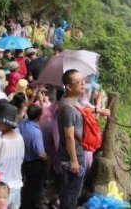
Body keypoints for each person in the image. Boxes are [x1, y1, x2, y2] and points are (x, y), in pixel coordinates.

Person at [56, 69, 86, 209]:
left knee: (69, 193)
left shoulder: (70, 100)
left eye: (83, 81)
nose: (83, 84)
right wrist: (74, 160)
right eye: (78, 82)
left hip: (73, 154)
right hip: (72, 157)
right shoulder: (68, 107)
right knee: (70, 194)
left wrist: (98, 110)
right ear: (68, 87)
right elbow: (69, 136)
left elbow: (80, 110)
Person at [0, 103, 24, 209]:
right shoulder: (20, 138)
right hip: (17, 186)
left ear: (7, 124)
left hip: (0, 190)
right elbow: (21, 159)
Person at [19, 104, 47, 209]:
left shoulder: (22, 124)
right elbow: (40, 153)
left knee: (26, 187)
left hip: (24, 161)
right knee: (33, 189)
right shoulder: (36, 132)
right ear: (39, 117)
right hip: (34, 164)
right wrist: (49, 159)